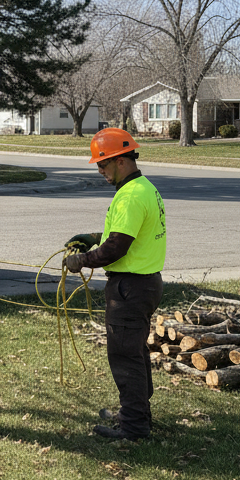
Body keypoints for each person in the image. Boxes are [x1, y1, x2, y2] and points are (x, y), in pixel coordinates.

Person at [64, 127, 167, 441]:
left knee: (124, 356)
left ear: (121, 160)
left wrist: (81, 260)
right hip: (145, 284)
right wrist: (94, 237)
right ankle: (137, 413)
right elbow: (128, 233)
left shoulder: (131, 196)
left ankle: (134, 427)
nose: (99, 170)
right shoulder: (144, 188)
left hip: (130, 288)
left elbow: (116, 249)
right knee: (134, 352)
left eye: (102, 164)